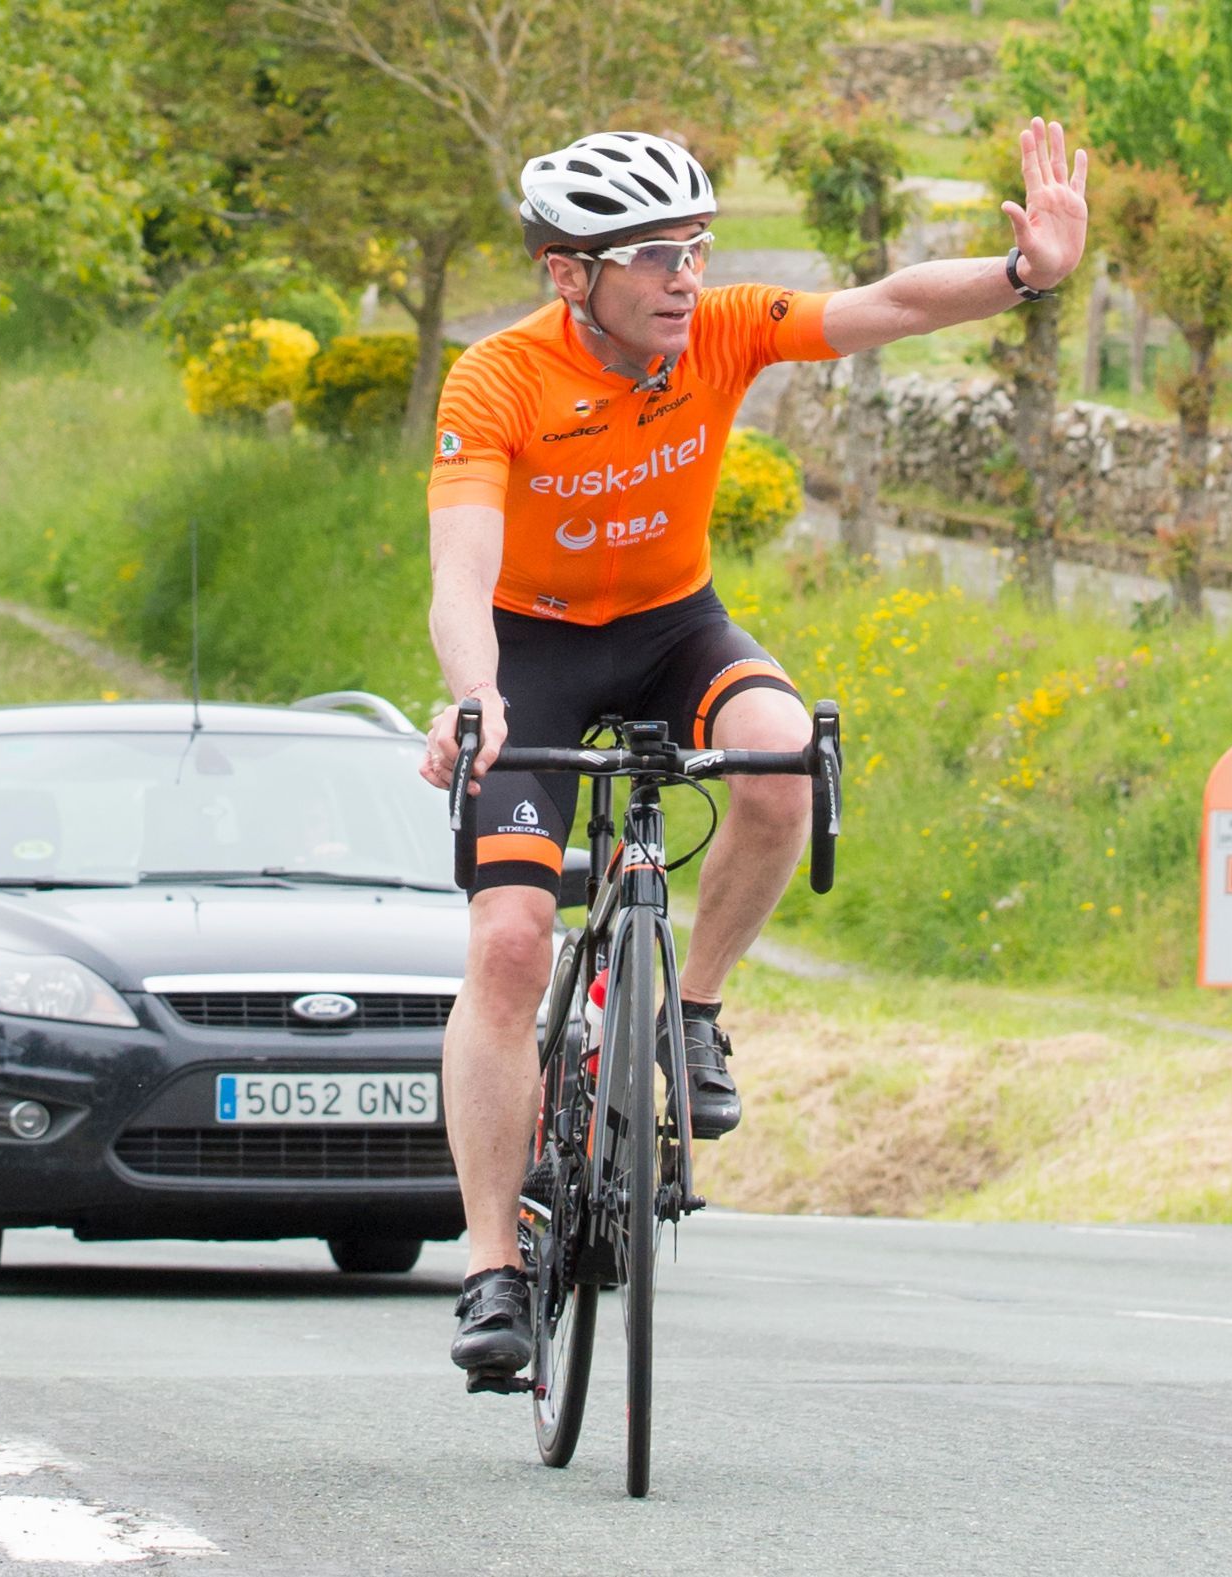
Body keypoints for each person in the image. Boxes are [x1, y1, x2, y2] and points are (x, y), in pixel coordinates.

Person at [420, 119, 1090, 1376]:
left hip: (673, 628)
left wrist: (1024, 274)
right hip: (532, 655)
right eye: (653, 255)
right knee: (508, 944)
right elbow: (459, 572)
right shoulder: (496, 379)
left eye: (696, 247)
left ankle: (692, 1013)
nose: (685, 276)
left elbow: (885, 305)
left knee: (783, 756)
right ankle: (492, 1264)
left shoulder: (721, 331)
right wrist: (474, 695)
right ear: (570, 274)